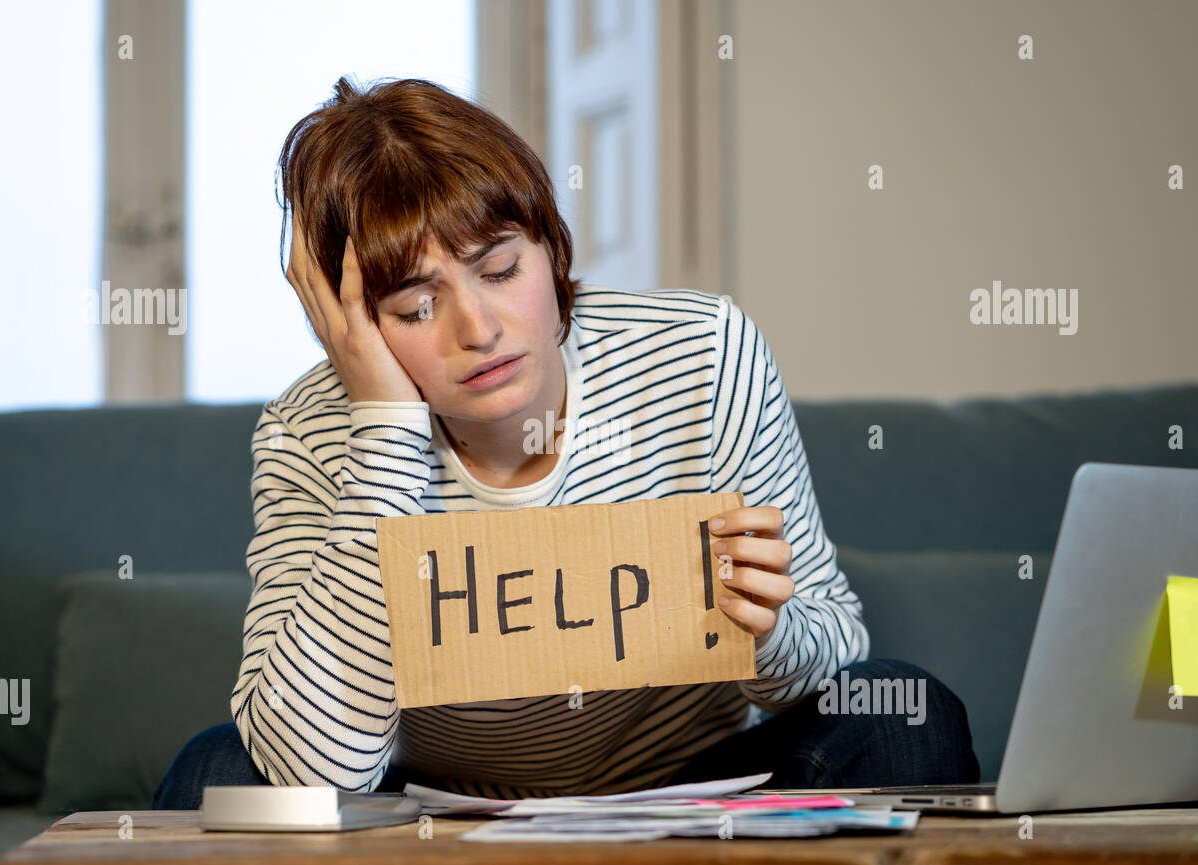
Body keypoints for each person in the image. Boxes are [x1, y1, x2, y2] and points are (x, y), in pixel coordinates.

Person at [154, 76, 978, 810]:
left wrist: (769, 633)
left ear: (551, 250)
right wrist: (384, 433)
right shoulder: (310, 430)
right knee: (217, 770)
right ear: (353, 327)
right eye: (415, 308)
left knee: (903, 710)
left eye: (500, 271)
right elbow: (311, 774)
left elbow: (833, 654)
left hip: (694, 790)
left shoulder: (702, 355)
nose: (479, 329)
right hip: (433, 813)